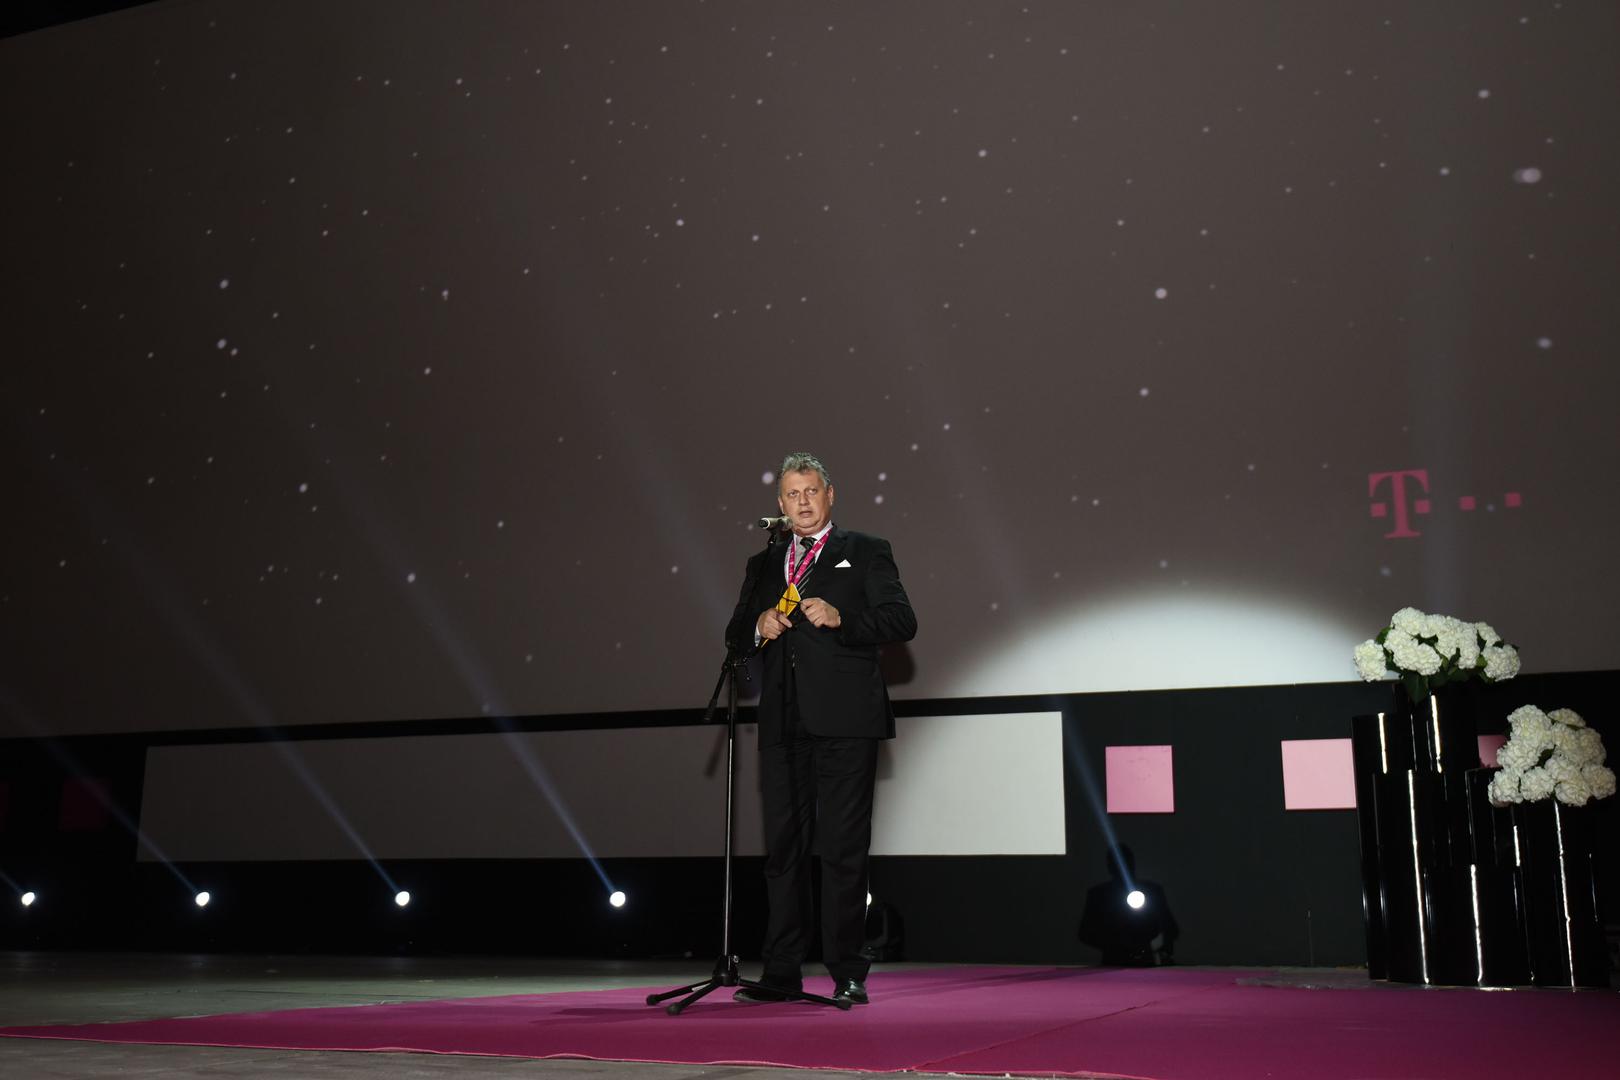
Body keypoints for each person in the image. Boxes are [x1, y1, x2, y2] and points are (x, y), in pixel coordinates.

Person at [725, 451, 917, 1006]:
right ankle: (782, 971)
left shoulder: (866, 550)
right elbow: (735, 636)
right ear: (779, 504)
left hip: (847, 719)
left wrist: (843, 618)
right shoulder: (765, 561)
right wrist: (757, 627)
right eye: (792, 494)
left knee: (843, 848)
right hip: (783, 719)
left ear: (830, 495)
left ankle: (848, 971)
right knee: (783, 851)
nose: (802, 501)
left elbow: (902, 620)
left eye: (811, 491)